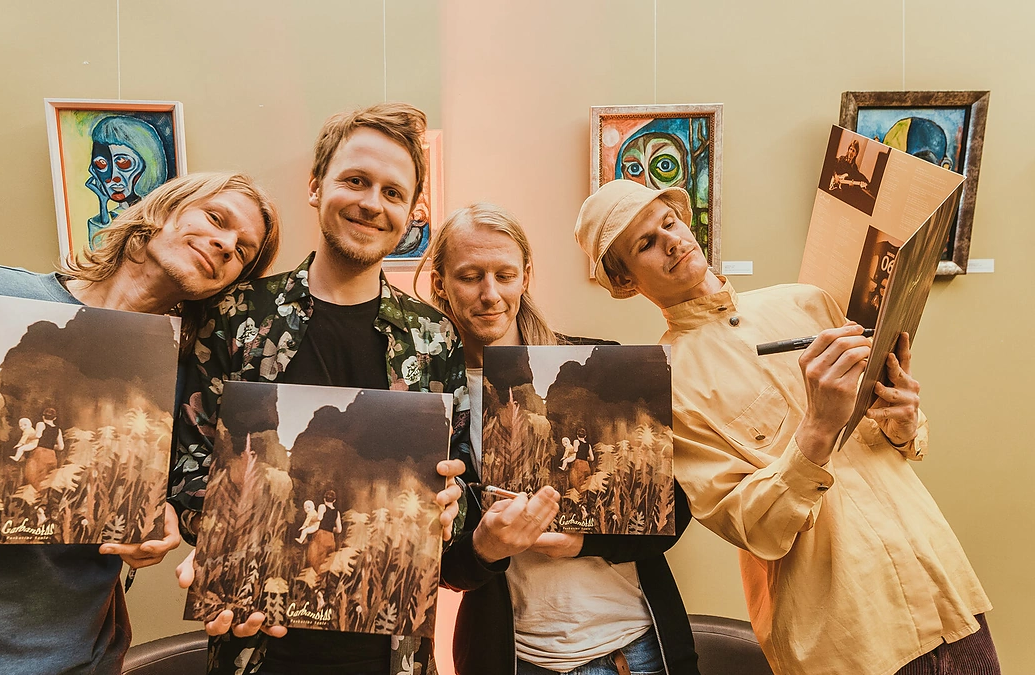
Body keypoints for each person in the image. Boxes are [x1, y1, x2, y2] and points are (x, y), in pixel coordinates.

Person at [0, 170, 281, 675]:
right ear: (162, 209)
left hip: (73, 661)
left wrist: (154, 531)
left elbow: (163, 501)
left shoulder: (189, 378)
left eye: (243, 251)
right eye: (216, 219)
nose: (225, 244)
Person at [574, 178, 996, 675]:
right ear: (625, 281)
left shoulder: (808, 301)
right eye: (645, 243)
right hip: (847, 632)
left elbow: (896, 438)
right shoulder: (661, 387)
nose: (671, 240)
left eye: (670, 222)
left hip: (941, 584)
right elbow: (756, 528)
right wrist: (816, 429)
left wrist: (904, 418)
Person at [170, 103, 468, 675]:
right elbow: (185, 468)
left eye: (392, 192)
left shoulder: (434, 339)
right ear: (315, 185)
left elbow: (463, 484)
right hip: (255, 645)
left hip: (392, 653)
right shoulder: (235, 316)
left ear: (411, 212)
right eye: (355, 180)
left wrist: (451, 505)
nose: (370, 203)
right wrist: (229, 524)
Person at [422, 202, 699, 675]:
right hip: (517, 659)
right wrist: (485, 548)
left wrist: (583, 542)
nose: (490, 294)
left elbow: (673, 512)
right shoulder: (432, 400)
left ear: (526, 276)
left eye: (504, 275)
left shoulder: (600, 367)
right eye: (470, 276)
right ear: (440, 283)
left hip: (634, 650)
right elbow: (437, 567)